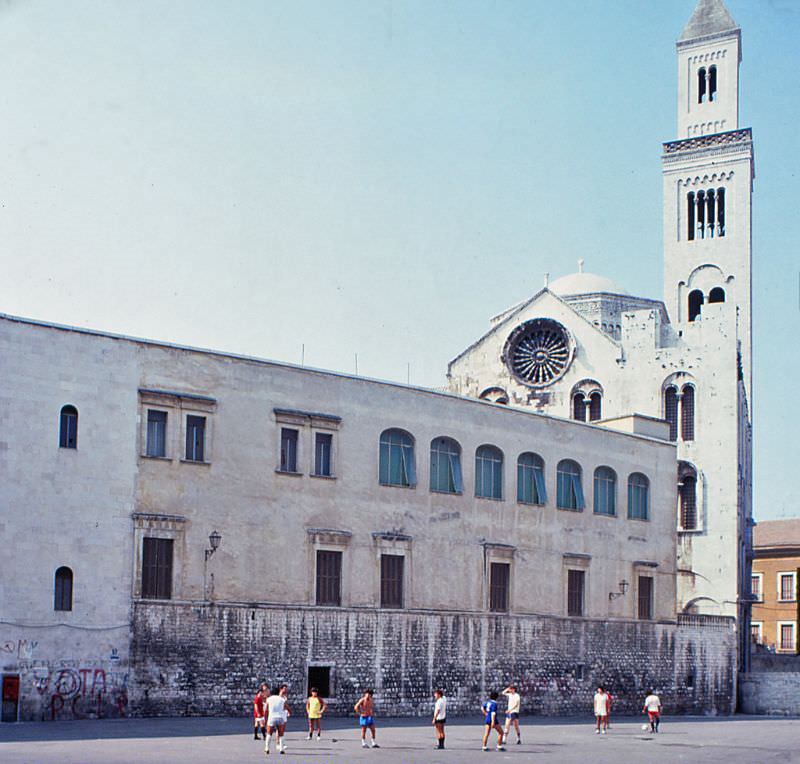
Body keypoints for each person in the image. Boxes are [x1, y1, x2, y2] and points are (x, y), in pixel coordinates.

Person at [265, 686, 291, 755]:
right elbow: (287, 707)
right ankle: (281, 749)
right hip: (280, 717)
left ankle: (267, 748)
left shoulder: (269, 699)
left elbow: (266, 709)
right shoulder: (282, 699)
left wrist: (266, 718)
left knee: (269, 734)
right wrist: (290, 712)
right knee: (281, 734)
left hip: (272, 717)